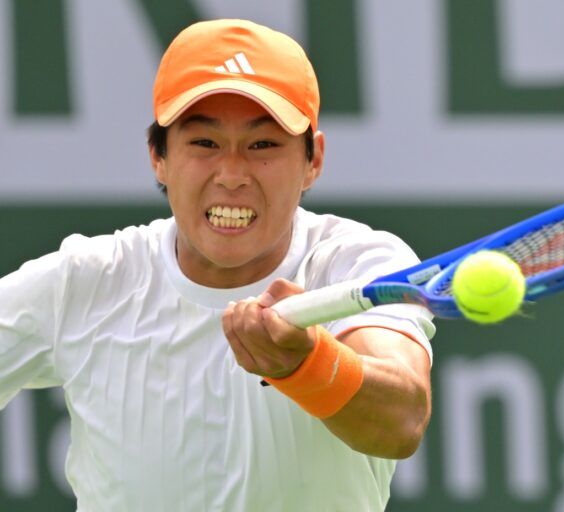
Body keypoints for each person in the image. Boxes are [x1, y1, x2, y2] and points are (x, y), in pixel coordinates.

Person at [0, 19, 434, 511]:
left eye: (263, 145)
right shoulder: (84, 280)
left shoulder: (358, 261)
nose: (231, 175)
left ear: (313, 161)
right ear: (158, 157)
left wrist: (306, 364)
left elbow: (401, 420)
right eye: (204, 143)